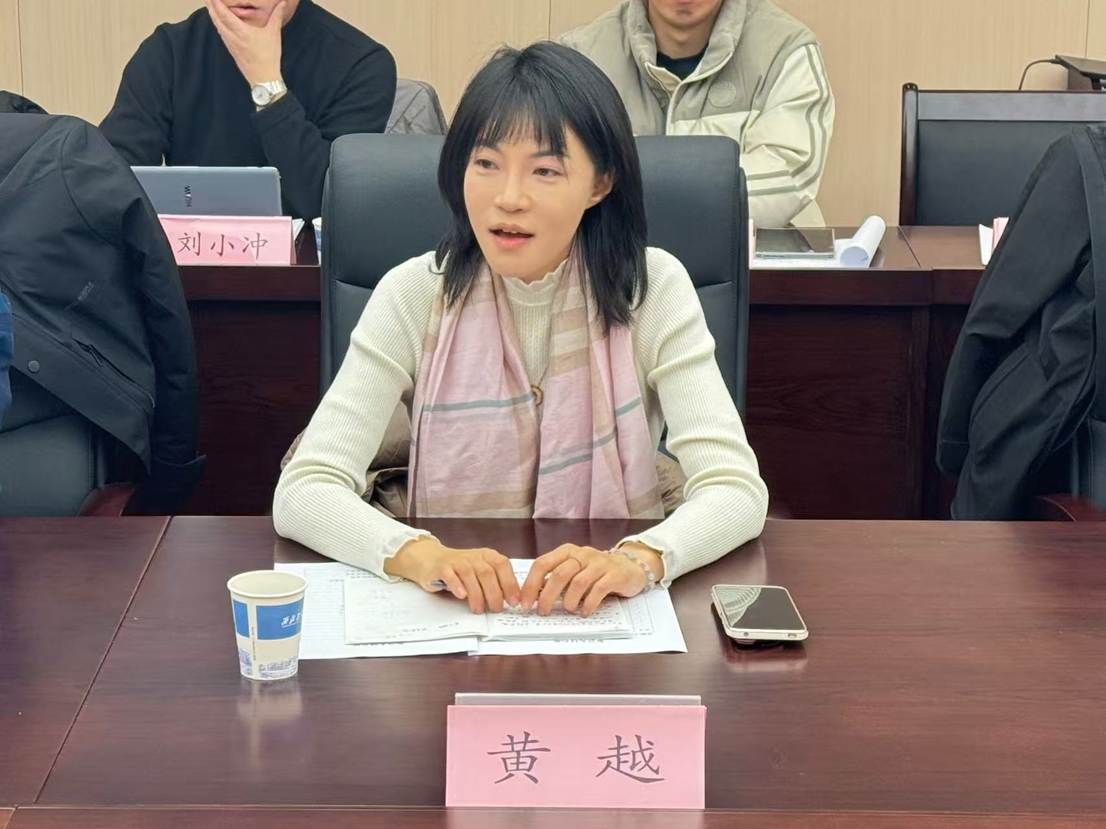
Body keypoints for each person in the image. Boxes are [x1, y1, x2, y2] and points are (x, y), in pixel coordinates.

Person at [273, 42, 768, 617]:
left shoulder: (650, 288)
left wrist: (642, 557)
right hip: (455, 611)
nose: (508, 198)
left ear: (600, 183)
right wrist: (418, 554)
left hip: (601, 610)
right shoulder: (413, 292)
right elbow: (304, 491)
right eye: (485, 164)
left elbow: (735, 489)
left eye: (545, 171)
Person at [100, 0, 396, 219]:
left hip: (309, 276)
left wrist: (266, 82)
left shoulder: (362, 64)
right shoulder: (170, 50)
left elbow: (326, 202)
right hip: (187, 268)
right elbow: (113, 180)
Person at [560, 0, 834, 227]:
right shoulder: (580, 58)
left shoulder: (786, 50)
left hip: (754, 265)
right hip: (617, 263)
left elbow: (788, 178)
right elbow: (556, 178)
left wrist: (637, 197)